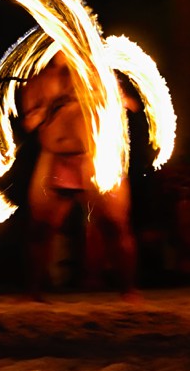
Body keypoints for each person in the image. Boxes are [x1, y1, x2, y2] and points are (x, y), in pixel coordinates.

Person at [17, 49, 142, 302]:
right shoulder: (38, 80)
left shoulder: (97, 74)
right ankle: (33, 291)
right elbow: (29, 123)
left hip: (95, 157)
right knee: (40, 228)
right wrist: (53, 105)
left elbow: (130, 105)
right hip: (54, 156)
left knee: (115, 225)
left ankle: (128, 289)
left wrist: (103, 97)